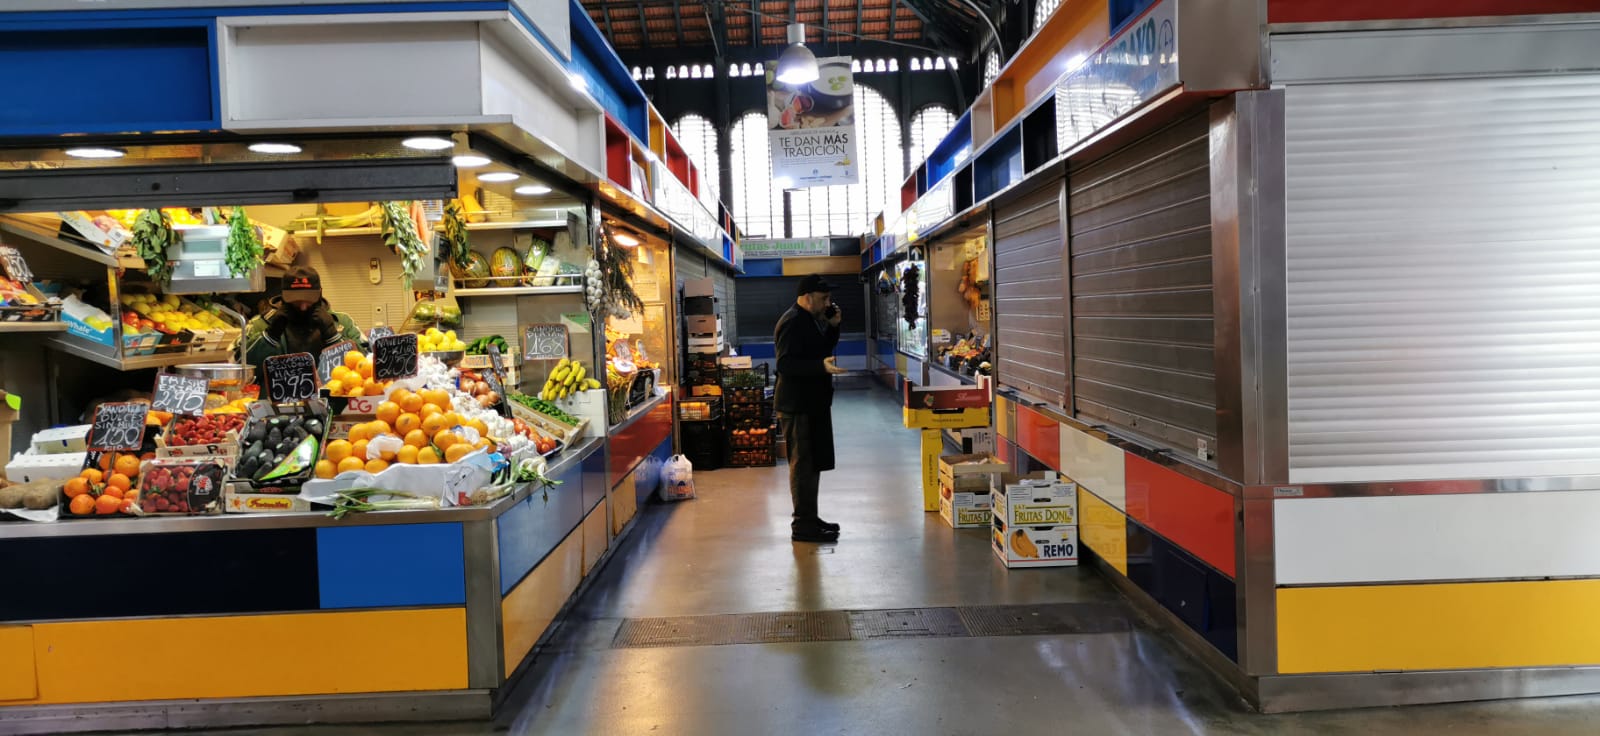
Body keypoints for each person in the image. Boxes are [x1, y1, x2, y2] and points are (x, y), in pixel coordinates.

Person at [774, 274, 849, 543]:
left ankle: (810, 517)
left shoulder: (810, 319)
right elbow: (785, 364)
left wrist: (833, 327)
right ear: (807, 298)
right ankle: (802, 526)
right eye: (824, 298)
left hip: (811, 404)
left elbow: (822, 350)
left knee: (812, 463)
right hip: (797, 406)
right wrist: (820, 367)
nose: (828, 303)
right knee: (803, 465)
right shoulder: (793, 322)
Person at [243, 266, 366, 374]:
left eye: (309, 300)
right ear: (284, 296)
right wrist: (269, 336)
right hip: (278, 393)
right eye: (296, 301)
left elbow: (365, 365)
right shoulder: (259, 324)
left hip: (331, 392)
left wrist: (333, 336)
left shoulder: (342, 322)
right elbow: (241, 368)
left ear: (319, 294)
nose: (303, 307)